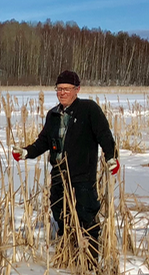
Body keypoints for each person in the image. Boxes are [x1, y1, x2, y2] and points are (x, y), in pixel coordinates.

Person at [12, 70, 118, 262]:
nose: (62, 93)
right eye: (59, 89)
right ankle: (68, 254)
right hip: (59, 174)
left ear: (77, 90)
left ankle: (91, 260)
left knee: (86, 217)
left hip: (82, 175)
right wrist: (27, 152)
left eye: (67, 89)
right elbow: (44, 141)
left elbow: (104, 135)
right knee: (60, 213)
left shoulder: (89, 109)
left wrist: (111, 157)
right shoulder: (53, 115)